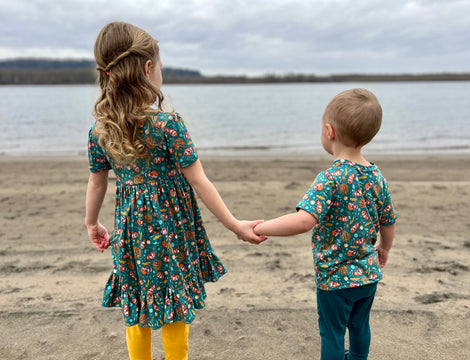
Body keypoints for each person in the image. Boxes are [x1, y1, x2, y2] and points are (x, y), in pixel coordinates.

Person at [85, 21, 265, 360]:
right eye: (161, 67)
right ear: (148, 69)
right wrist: (234, 224)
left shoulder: (101, 130)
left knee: (137, 303)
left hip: (130, 233)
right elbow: (199, 182)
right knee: (173, 304)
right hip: (169, 231)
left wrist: (91, 223)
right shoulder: (167, 126)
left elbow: (97, 181)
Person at [254, 88, 397, 360]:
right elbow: (388, 220)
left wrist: (262, 227)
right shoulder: (377, 176)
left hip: (334, 279)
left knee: (331, 332)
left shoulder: (329, 178)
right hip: (367, 274)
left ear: (329, 131)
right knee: (359, 326)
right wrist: (384, 248)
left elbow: (304, 220)